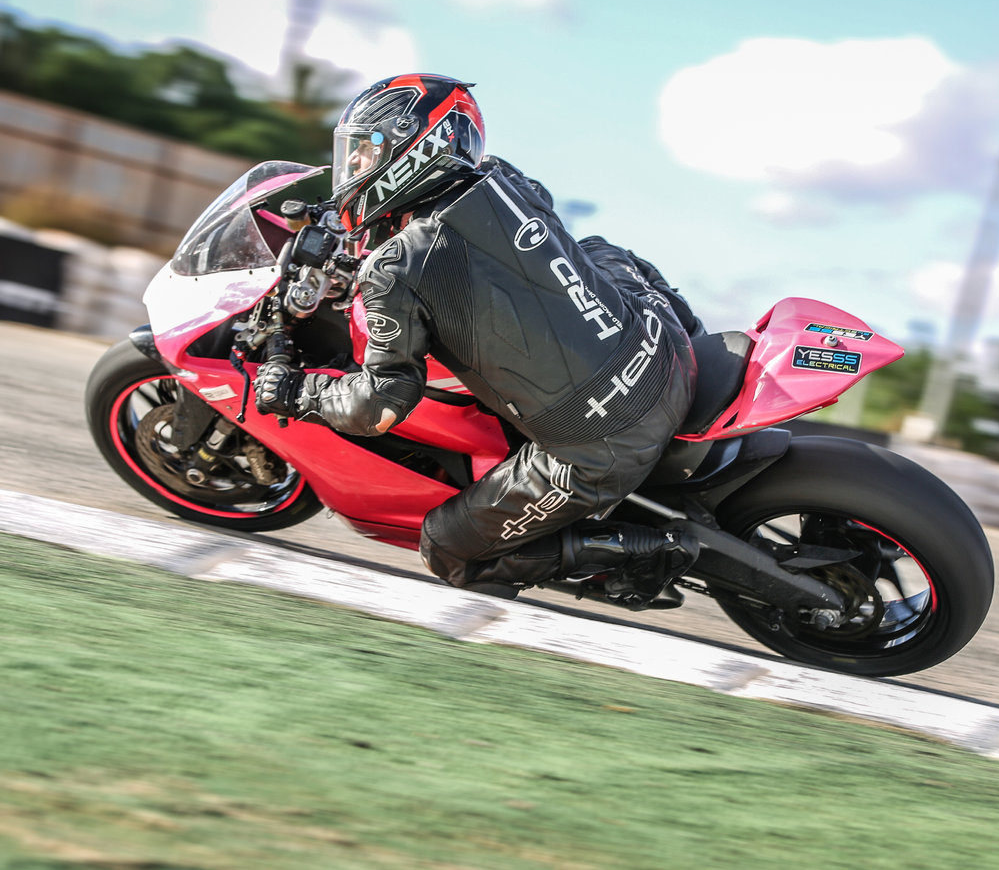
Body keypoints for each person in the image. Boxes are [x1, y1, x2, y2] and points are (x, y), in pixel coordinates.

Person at [255, 73, 704, 604]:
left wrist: (296, 392)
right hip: (666, 347)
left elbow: (380, 405)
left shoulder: (396, 267)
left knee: (448, 549)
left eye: (366, 149)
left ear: (415, 148)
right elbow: (481, 244)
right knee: (598, 250)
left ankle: (649, 552)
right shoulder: (501, 178)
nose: (352, 163)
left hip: (606, 441)